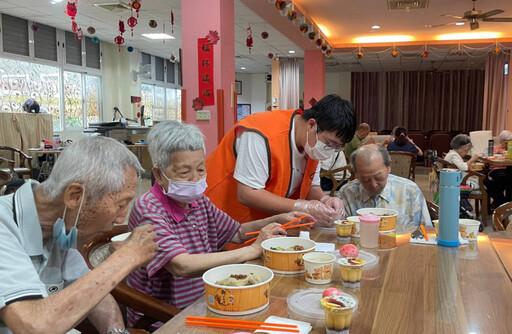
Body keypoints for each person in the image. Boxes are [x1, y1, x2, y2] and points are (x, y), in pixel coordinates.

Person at [126, 121, 315, 328]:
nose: (195, 179)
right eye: (184, 172)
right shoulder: (148, 209)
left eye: (200, 169)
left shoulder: (198, 201)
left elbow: (236, 232)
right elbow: (181, 265)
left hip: (206, 302)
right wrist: (252, 250)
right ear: (159, 174)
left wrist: (278, 219)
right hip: (165, 317)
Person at [0, 136, 157, 334]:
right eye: (120, 204)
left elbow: (95, 294)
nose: (121, 218)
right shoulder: (4, 224)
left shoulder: (60, 226)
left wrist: (116, 332)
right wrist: (124, 259)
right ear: (75, 196)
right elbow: (32, 326)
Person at [205, 94, 357, 227]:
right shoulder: (261, 133)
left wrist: (324, 200)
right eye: (330, 143)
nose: (330, 150)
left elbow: (312, 187)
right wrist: (301, 206)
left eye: (337, 147)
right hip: (223, 220)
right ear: (311, 124)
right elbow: (247, 194)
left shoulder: (311, 143)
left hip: (265, 226)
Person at [338, 144, 431, 227]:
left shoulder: (409, 190)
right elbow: (339, 233)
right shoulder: (347, 193)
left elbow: (427, 230)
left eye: (379, 177)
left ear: (389, 166)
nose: (374, 185)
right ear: (356, 174)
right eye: (366, 180)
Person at [485, 130, 512, 207]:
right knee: (502, 177)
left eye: (510, 143)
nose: (507, 145)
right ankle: (503, 203)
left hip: (508, 169)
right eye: (506, 143)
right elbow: (486, 157)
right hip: (496, 169)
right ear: (501, 141)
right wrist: (497, 153)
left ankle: (507, 202)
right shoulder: (494, 148)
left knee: (510, 179)